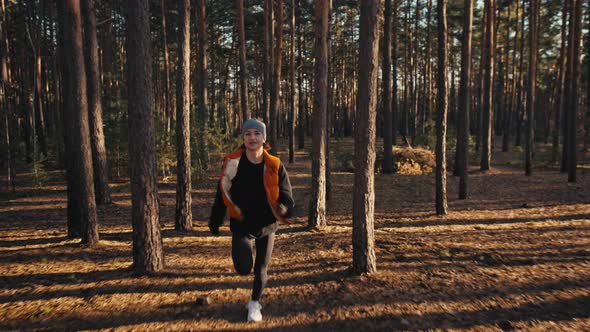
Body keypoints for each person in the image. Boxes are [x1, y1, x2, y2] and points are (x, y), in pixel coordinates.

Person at [209, 118, 294, 322]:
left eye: (257, 134)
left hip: (267, 225)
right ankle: (252, 294)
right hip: (242, 223)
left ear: (264, 139)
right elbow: (222, 191)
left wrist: (283, 208)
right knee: (243, 267)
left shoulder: (274, 164)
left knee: (261, 269)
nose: (252, 138)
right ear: (243, 138)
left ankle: (254, 304)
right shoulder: (233, 162)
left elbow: (287, 195)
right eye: (248, 134)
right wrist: (216, 218)